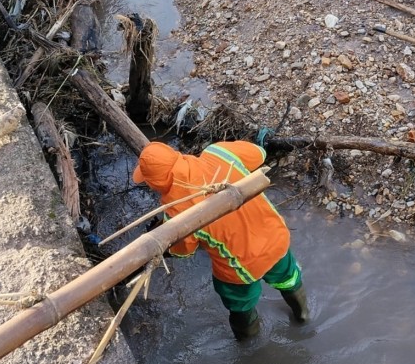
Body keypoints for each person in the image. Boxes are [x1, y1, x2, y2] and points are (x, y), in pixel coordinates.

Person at [132, 140, 308, 340]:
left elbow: (184, 251)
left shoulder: (177, 212)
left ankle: (249, 346)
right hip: (276, 237)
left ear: (156, 182)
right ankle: (303, 316)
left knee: (241, 305)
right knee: (289, 278)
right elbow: (259, 153)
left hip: (242, 267)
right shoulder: (219, 152)